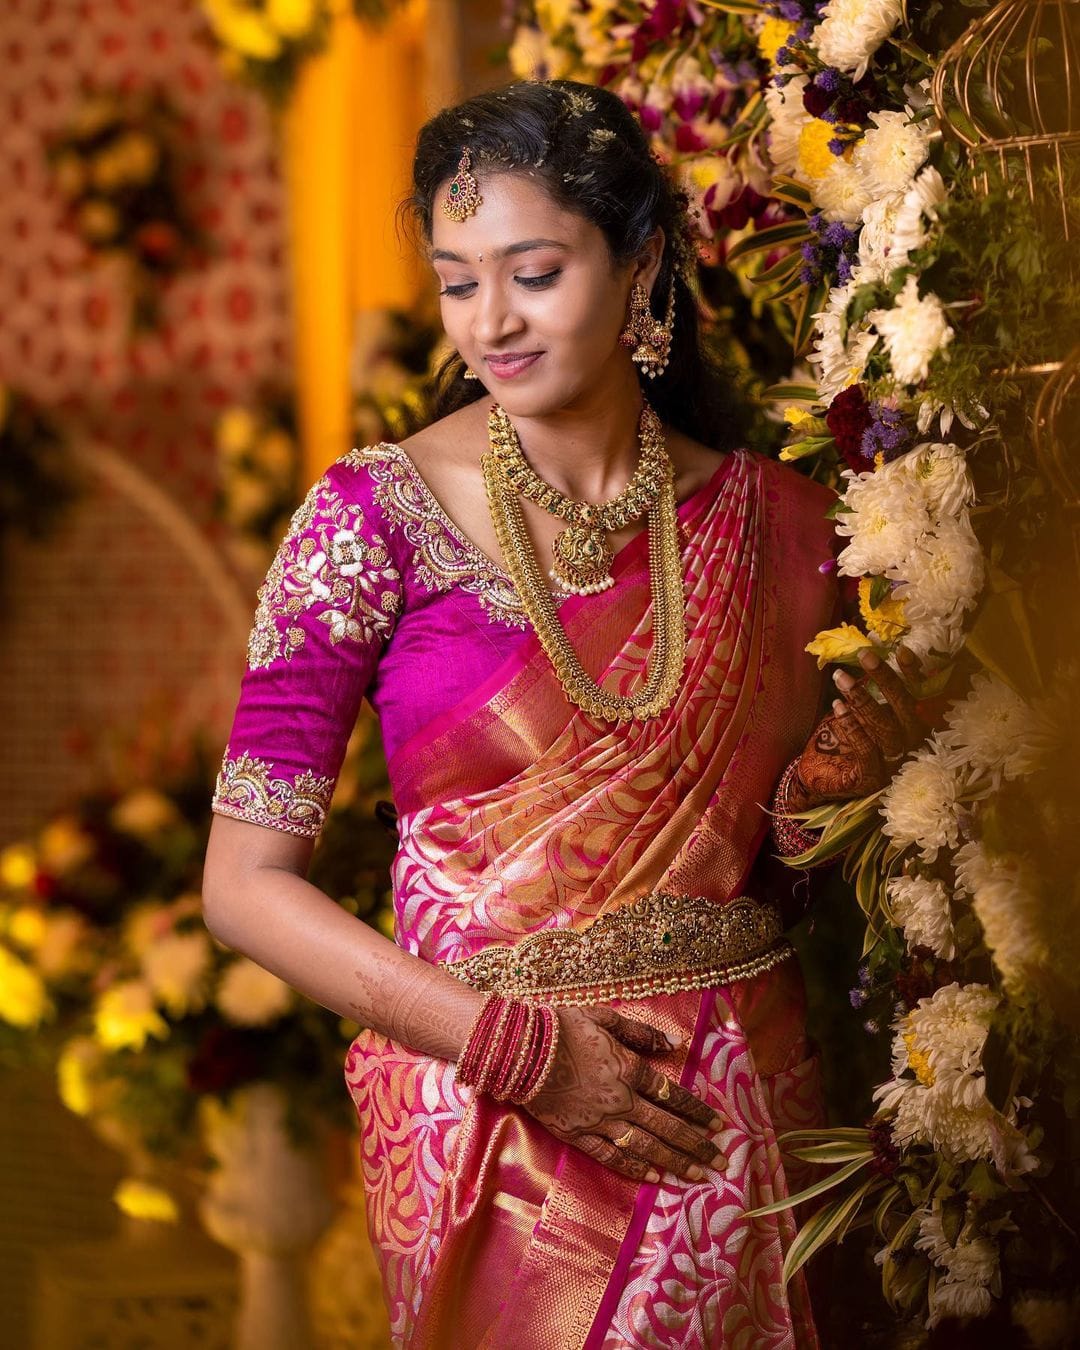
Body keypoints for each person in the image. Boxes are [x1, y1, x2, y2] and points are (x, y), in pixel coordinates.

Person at [202, 78, 931, 1350]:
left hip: (741, 1114)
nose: (490, 321)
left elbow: (778, 872)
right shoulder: (367, 521)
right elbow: (244, 886)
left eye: (532, 273)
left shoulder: (793, 531)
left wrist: (830, 793)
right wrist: (518, 1053)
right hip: (492, 1130)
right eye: (456, 280)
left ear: (641, 265)